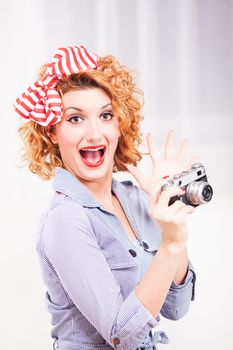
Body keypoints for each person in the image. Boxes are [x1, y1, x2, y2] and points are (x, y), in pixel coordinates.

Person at [15, 45, 196, 350]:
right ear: (52, 133)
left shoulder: (136, 200)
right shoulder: (65, 219)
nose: (95, 134)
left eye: (106, 115)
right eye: (75, 119)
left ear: (119, 124)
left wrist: (172, 221)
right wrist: (171, 243)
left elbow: (175, 308)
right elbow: (121, 336)